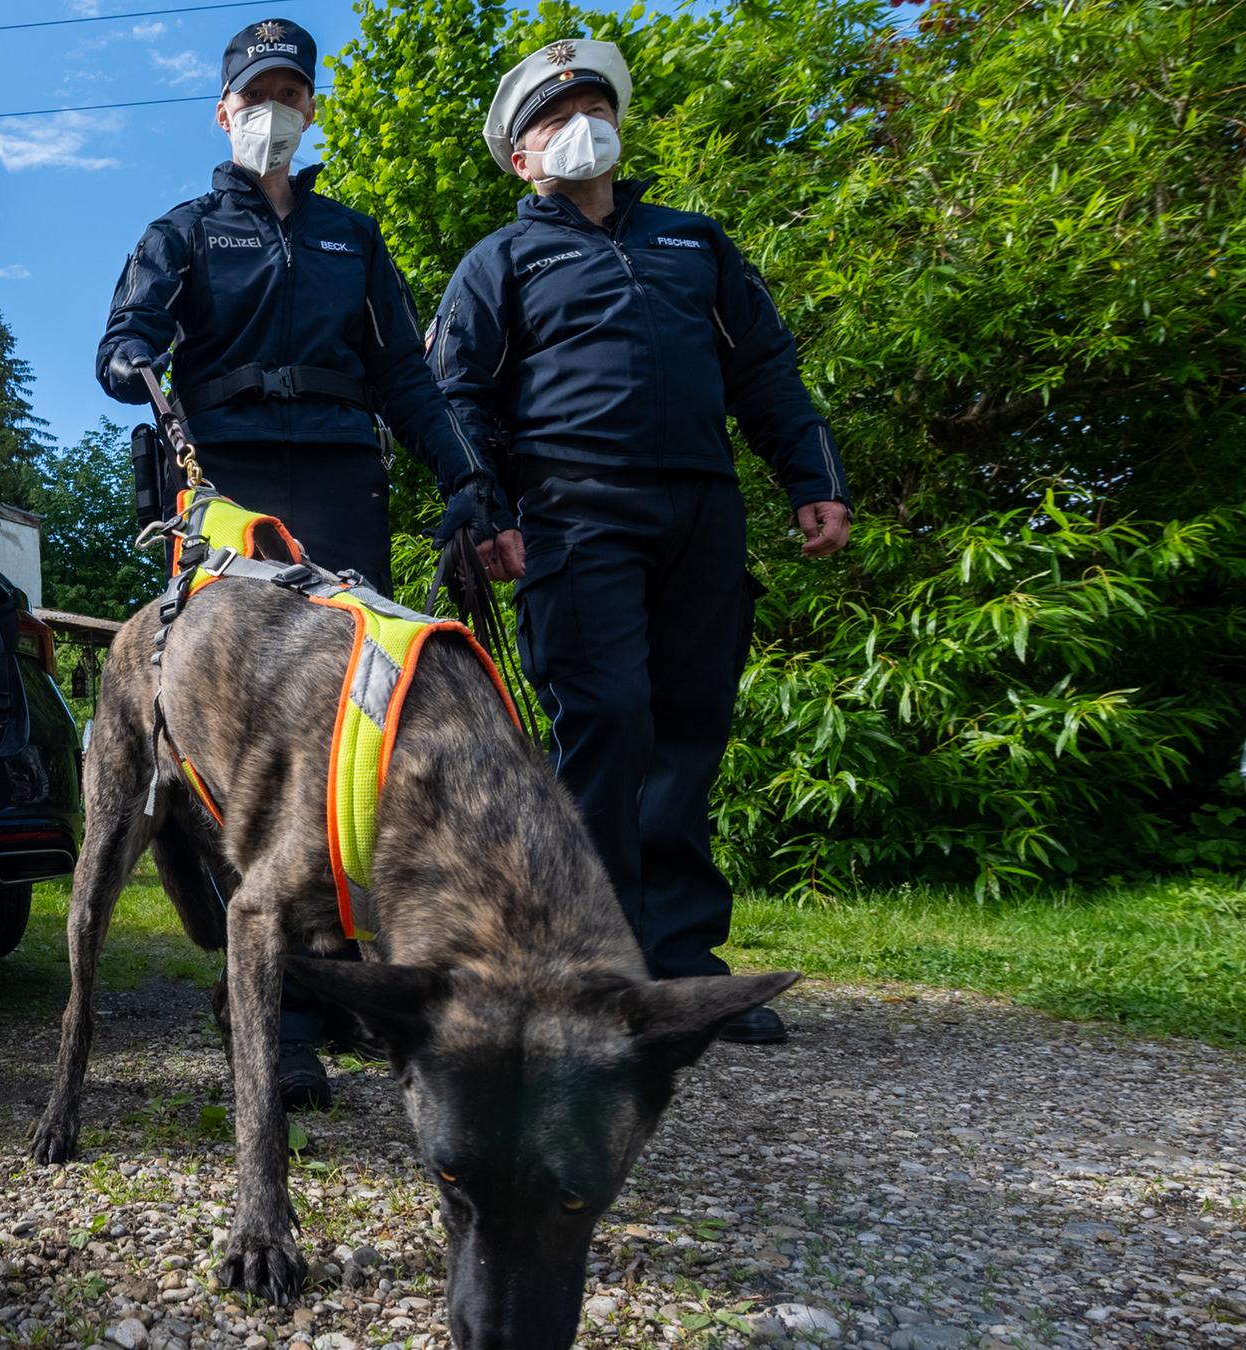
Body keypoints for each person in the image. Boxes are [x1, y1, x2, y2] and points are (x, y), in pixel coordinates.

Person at [95, 18, 506, 1110]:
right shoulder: (182, 230)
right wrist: (134, 356)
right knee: (251, 751)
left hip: (341, 489)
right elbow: (120, 340)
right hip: (227, 494)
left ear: (311, 107)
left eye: (293, 90)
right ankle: (265, 1012)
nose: (275, 109)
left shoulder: (352, 239)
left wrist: (470, 484)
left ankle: (333, 987)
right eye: (255, 93)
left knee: (345, 747)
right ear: (224, 112)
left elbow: (408, 383)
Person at [426, 39, 853, 1043]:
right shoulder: (502, 260)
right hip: (574, 517)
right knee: (608, 721)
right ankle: (587, 968)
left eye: (590, 101)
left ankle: (683, 966)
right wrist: (484, 516)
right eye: (551, 113)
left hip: (703, 511)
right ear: (520, 158)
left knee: (690, 728)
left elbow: (768, 373)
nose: (578, 120)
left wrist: (814, 482)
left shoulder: (694, 243)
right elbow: (456, 400)